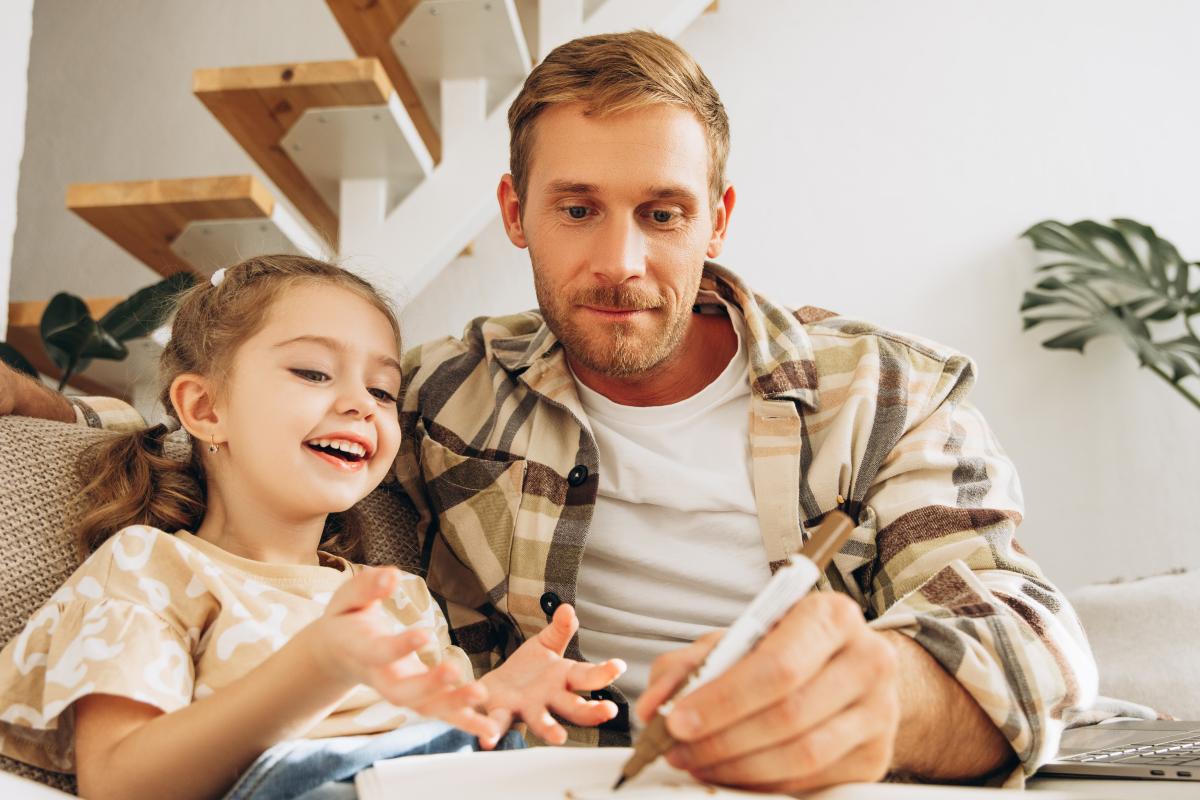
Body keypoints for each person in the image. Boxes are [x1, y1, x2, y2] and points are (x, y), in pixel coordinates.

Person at [1, 32, 1098, 794]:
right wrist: (53, 411)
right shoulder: (445, 394)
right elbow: (255, 417)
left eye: (662, 213)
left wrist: (887, 700)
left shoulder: (884, 391)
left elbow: (1027, 628)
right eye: (577, 208)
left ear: (716, 218)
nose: (620, 262)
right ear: (515, 212)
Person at [0, 256, 624, 800]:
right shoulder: (153, 568)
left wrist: (492, 700)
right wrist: (315, 671)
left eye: (382, 390)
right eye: (313, 373)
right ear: (206, 408)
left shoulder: (399, 596)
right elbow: (120, 784)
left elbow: (436, 748)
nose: (360, 404)